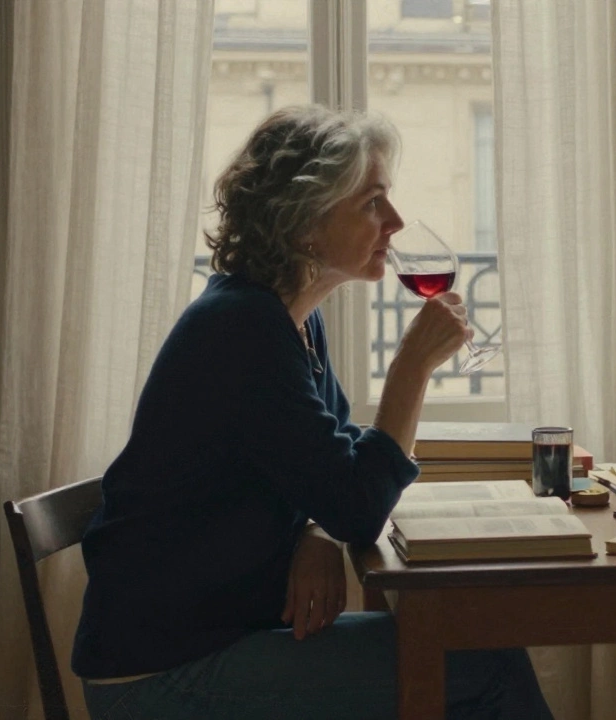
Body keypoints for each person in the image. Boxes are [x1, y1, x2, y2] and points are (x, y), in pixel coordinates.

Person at [71, 105, 553, 720]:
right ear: (305, 224)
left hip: (212, 638)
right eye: (372, 203)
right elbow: (358, 502)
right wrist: (410, 368)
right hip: (162, 673)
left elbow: (334, 462)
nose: (397, 222)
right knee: (486, 667)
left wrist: (317, 532)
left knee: (470, 654)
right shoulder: (241, 330)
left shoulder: (288, 319)